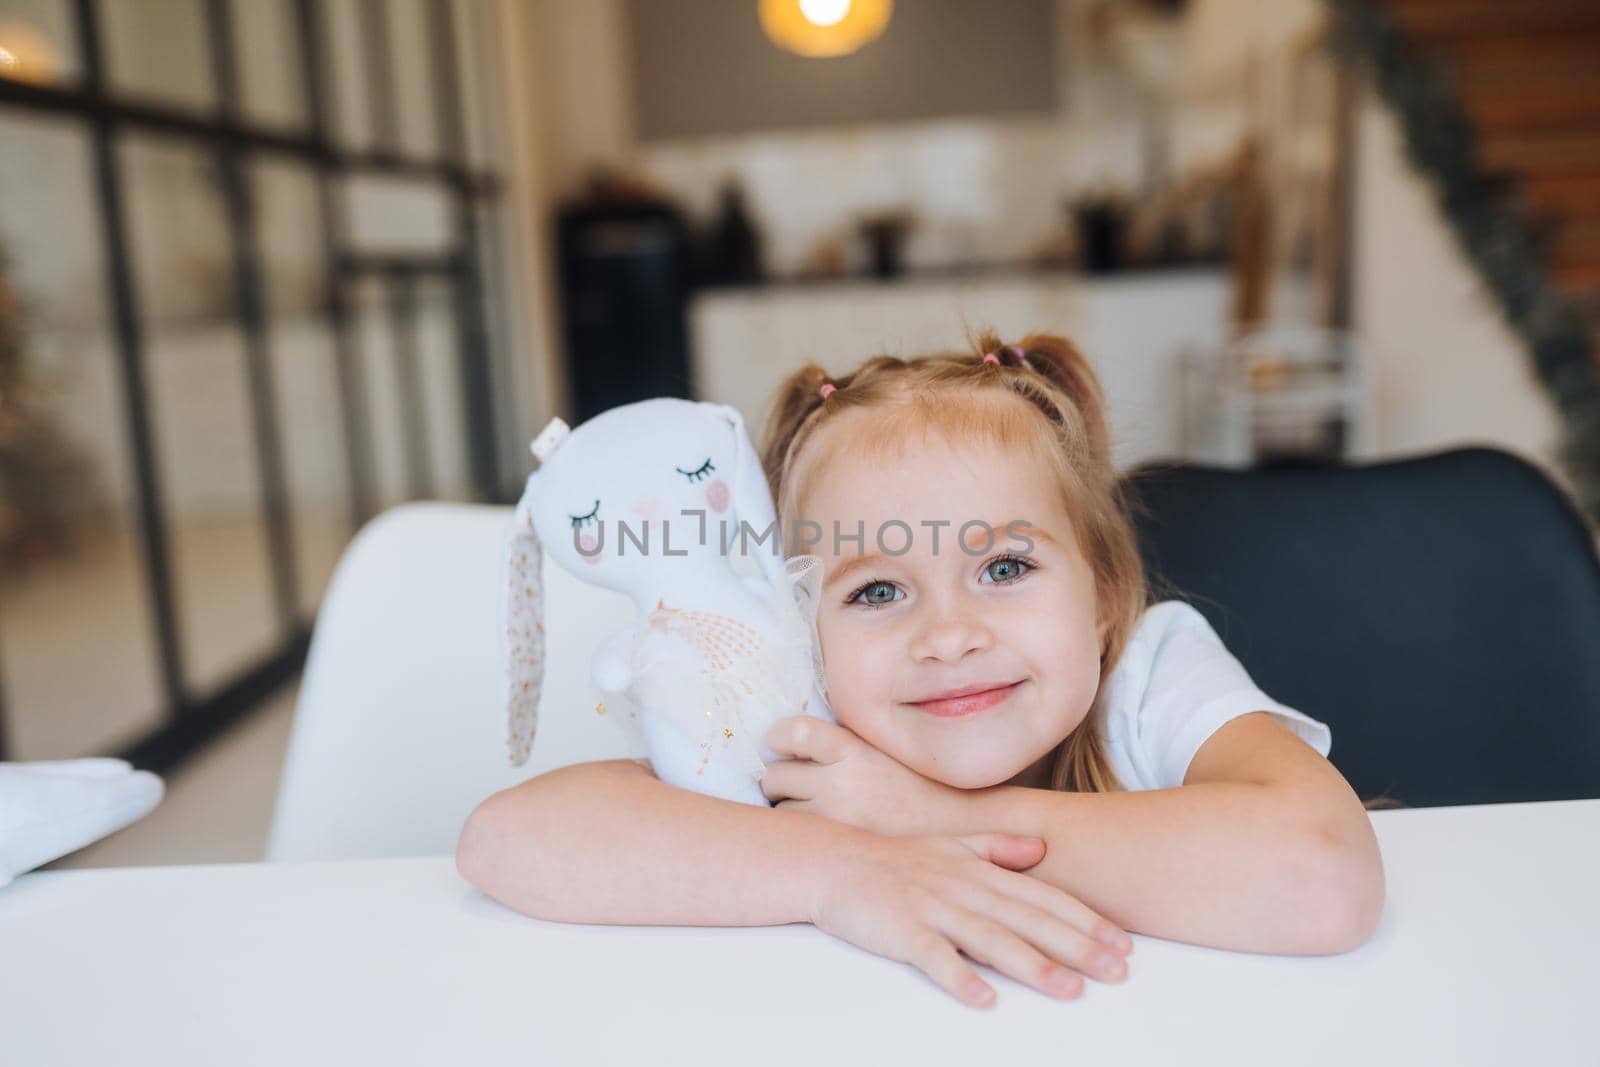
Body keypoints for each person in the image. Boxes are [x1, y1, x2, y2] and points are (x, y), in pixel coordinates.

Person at [455, 332, 1384, 1009]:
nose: (948, 635)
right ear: (801, 622)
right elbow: (505, 841)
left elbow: (1325, 877)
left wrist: (934, 819)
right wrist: (835, 871)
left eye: (1005, 569)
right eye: (876, 592)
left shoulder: (1144, 668)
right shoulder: (802, 711)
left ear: (1102, 594)